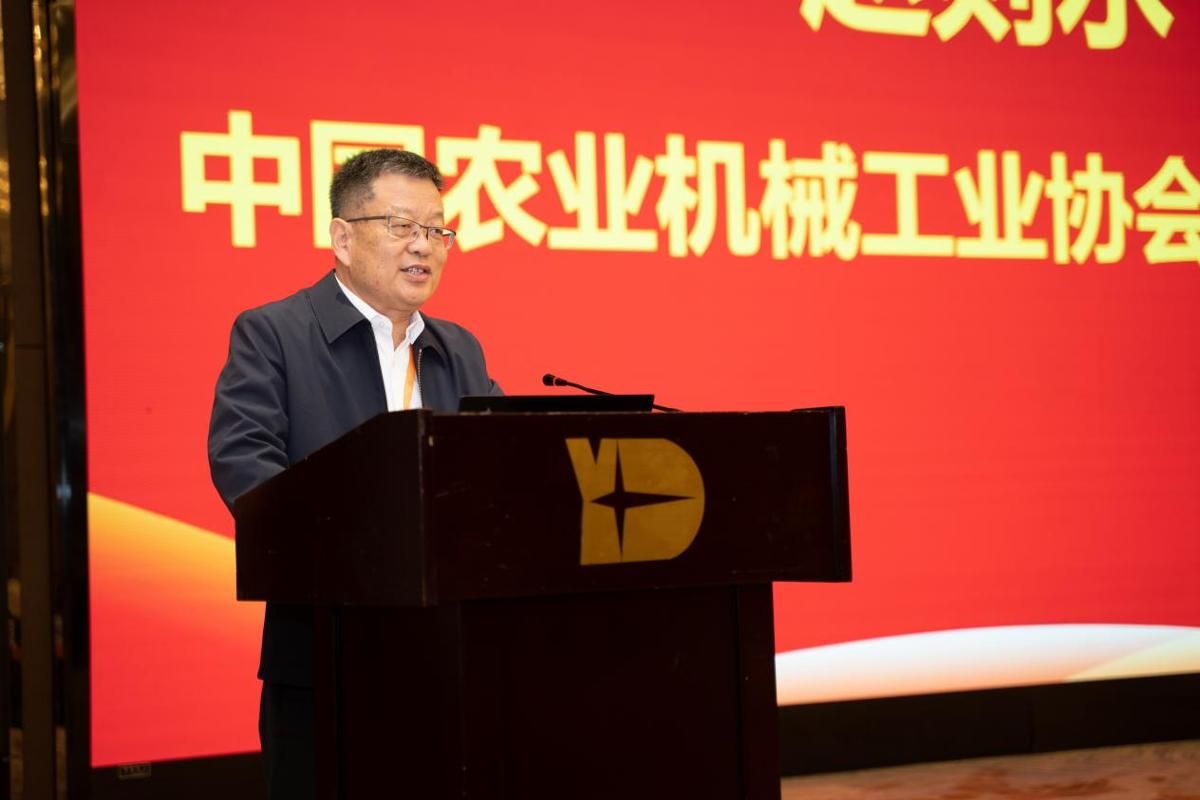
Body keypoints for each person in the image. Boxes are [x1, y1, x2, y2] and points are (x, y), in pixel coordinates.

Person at [207, 148, 501, 799]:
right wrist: (361, 544)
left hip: (445, 657)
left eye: (438, 229)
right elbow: (245, 464)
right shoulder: (274, 334)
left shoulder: (459, 350)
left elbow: (497, 472)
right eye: (401, 226)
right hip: (322, 656)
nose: (423, 245)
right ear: (342, 238)